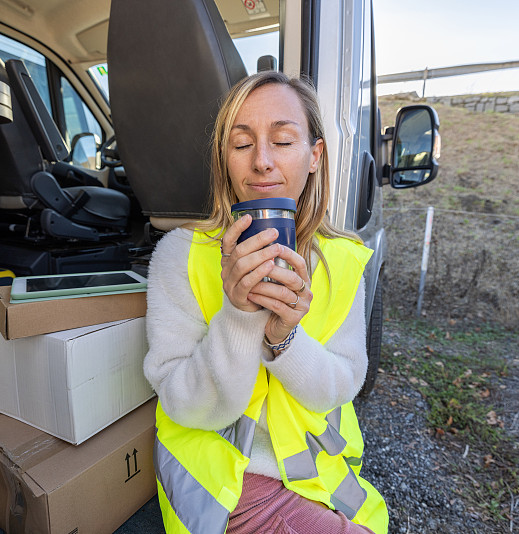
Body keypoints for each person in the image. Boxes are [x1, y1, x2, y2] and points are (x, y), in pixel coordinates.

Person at [144, 71, 388, 534]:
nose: (261, 162)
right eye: (241, 144)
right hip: (225, 488)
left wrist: (285, 339)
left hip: (322, 478)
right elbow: (184, 406)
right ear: (225, 160)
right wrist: (238, 317)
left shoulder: (343, 260)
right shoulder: (180, 256)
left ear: (314, 156)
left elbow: (341, 386)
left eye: (283, 141)